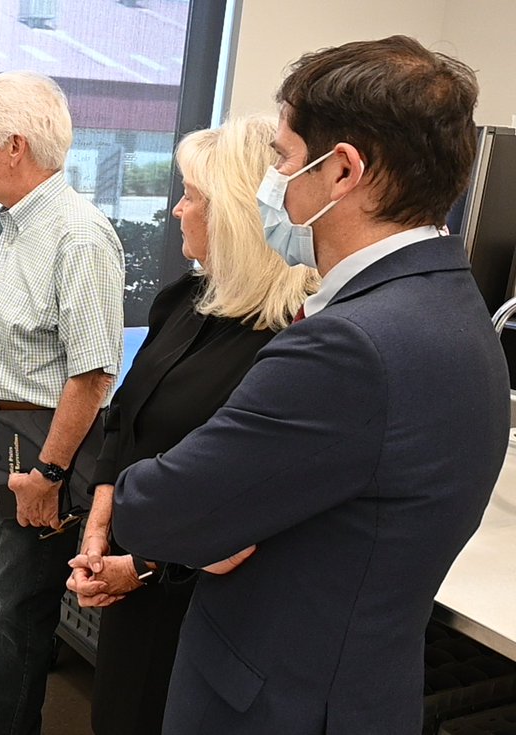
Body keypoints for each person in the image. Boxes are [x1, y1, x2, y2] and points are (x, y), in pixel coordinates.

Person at [108, 36, 510, 733]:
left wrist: (155, 496)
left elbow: (160, 510)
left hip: (271, 703)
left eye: (285, 159)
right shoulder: (454, 303)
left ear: (344, 170)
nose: (276, 183)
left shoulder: (348, 344)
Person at [66, 116, 318, 735]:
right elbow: (124, 414)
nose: (177, 209)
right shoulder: (185, 299)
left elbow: (251, 505)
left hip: (206, 602)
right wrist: (101, 526)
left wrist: (142, 565)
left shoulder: (294, 338)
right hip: (133, 571)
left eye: (192, 195)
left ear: (234, 212)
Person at [0, 71, 125, 735]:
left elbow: (93, 375)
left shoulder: (78, 236)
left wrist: (50, 473)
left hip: (36, 445)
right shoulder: (13, 227)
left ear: (15, 145)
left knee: (20, 606)